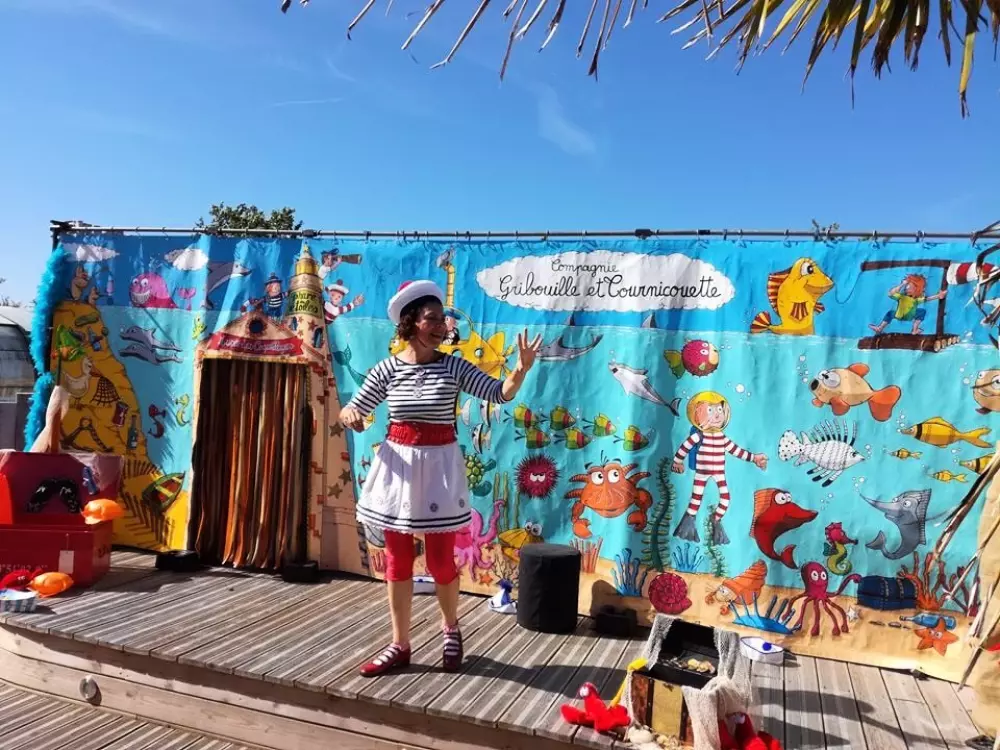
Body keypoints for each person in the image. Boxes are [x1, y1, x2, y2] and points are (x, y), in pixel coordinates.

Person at [338, 279, 541, 677]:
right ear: (410, 322)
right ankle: (400, 644)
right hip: (397, 469)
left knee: (439, 560)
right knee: (397, 559)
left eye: (442, 320)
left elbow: (499, 393)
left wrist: (520, 369)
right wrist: (353, 417)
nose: (441, 326)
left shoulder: (452, 366)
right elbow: (353, 408)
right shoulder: (388, 369)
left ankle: (451, 629)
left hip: (439, 469)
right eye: (432, 319)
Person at [869, 274, 946, 336]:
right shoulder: (910, 298)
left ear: (916, 288)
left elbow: (890, 293)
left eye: (908, 285)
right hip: (909, 316)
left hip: (900, 315)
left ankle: (880, 327)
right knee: (922, 311)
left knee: (890, 313)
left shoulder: (903, 297)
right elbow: (927, 299)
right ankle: (914, 330)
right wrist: (938, 296)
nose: (906, 286)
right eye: (907, 285)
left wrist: (902, 284)